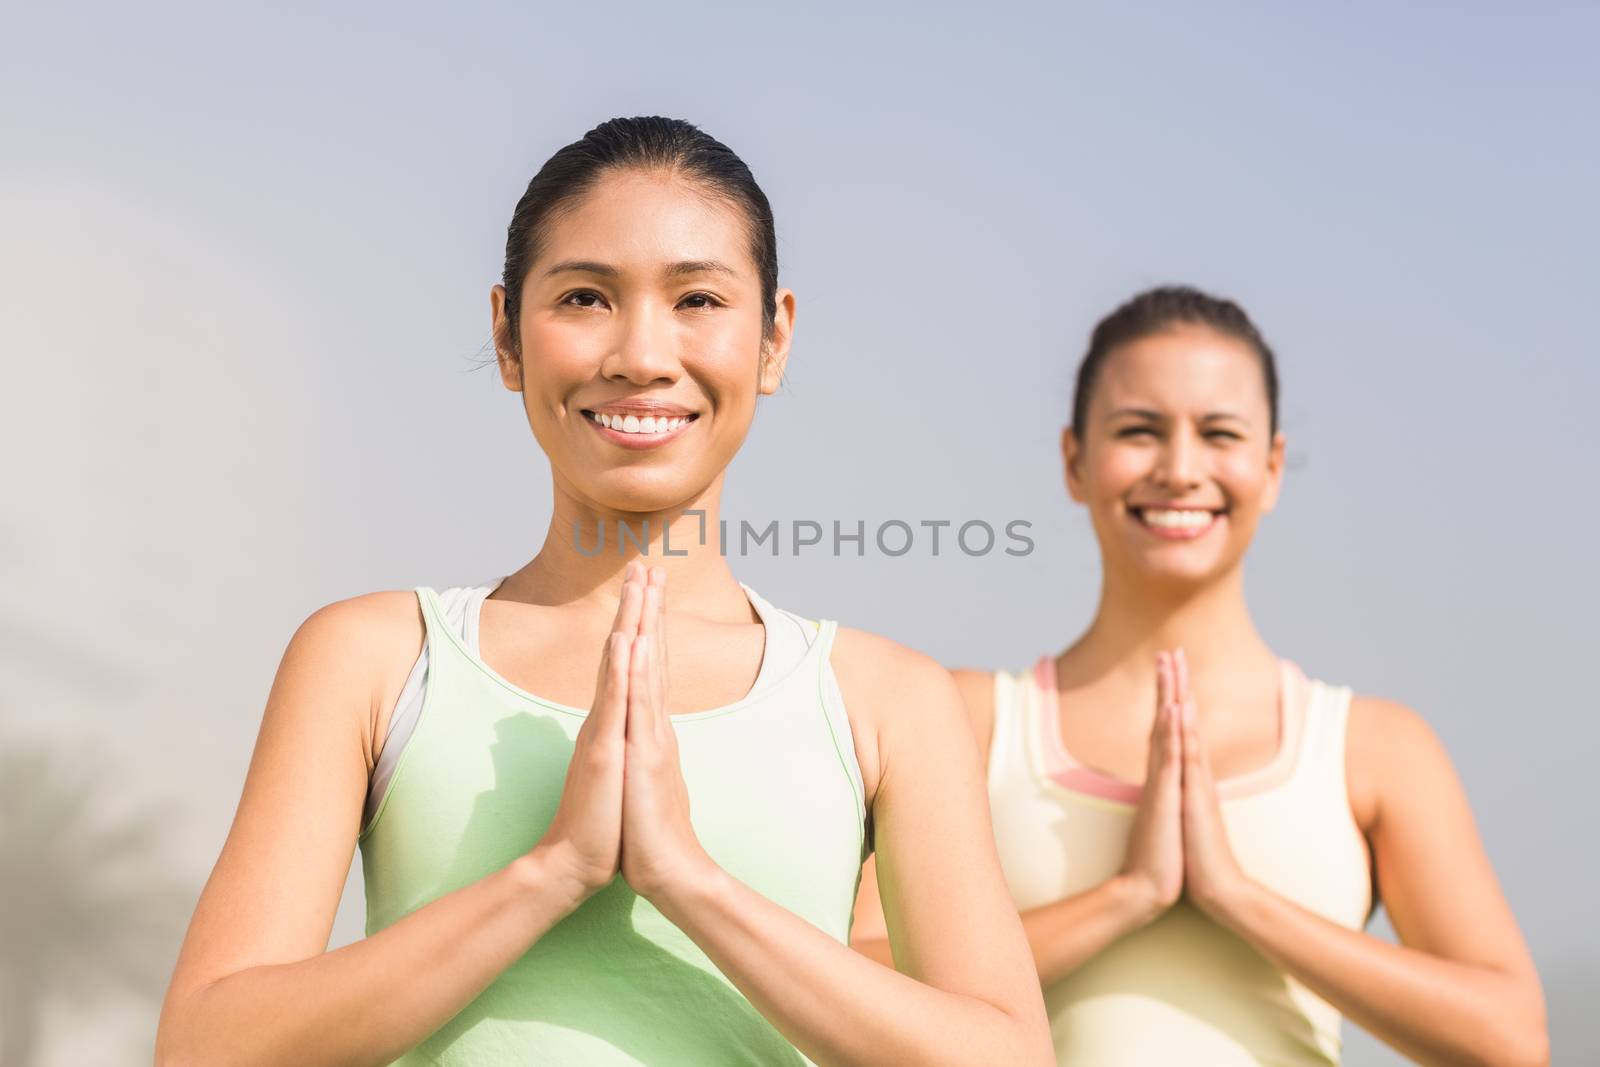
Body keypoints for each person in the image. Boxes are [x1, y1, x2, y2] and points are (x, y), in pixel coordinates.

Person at [154, 116, 1052, 1067]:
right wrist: (552, 872)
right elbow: (209, 1045)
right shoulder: (374, 661)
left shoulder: (887, 701)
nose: (641, 353)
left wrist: (691, 882)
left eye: (698, 298)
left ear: (774, 338)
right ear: (507, 336)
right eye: (585, 297)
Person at [849, 286, 1549, 1066]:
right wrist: (1126, 897)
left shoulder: (1375, 747)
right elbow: (846, 994)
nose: (1180, 469)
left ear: (1272, 466)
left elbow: (1511, 1039)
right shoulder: (967, 721)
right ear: (1075, 461)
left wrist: (1236, 896)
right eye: (1139, 432)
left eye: (1220, 433)